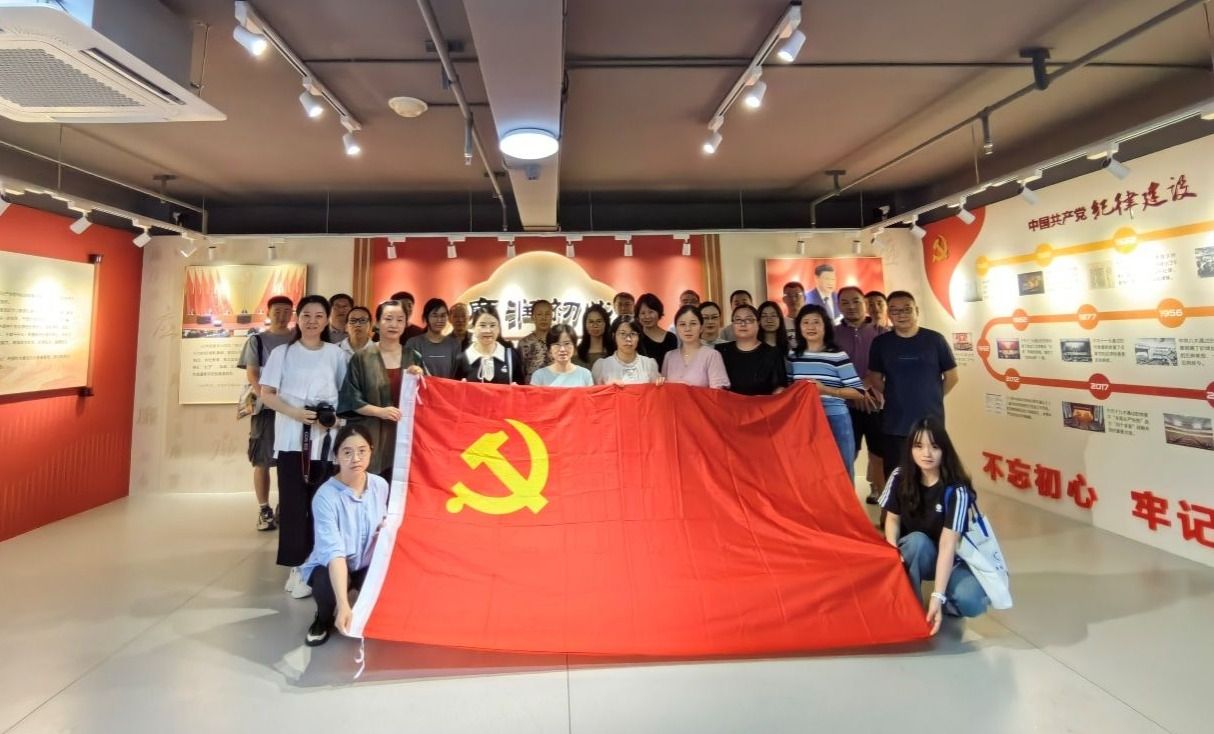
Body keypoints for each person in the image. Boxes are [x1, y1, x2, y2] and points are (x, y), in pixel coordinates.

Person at [257, 295, 348, 598]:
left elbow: (343, 395)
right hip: (290, 440)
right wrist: (294, 413)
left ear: (326, 319)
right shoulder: (283, 353)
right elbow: (267, 393)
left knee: (321, 506)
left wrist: (333, 420)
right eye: (306, 315)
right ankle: (296, 565)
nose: (312, 321)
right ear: (299, 318)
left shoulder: (336, 354)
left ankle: (317, 562)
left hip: (325, 443)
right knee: (293, 505)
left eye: (319, 315)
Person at [879, 416, 989, 634]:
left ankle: (947, 602)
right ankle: (909, 606)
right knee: (917, 542)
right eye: (919, 446)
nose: (926, 453)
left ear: (944, 450)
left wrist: (937, 596)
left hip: (951, 559)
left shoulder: (956, 489)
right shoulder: (900, 477)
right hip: (916, 551)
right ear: (910, 449)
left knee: (972, 601)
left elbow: (948, 544)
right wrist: (892, 554)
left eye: (934, 447)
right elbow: (892, 518)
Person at [300, 423, 389, 646]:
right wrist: (343, 605)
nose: (356, 458)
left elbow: (383, 520)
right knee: (326, 584)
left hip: (366, 561)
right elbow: (334, 553)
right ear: (336, 456)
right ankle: (322, 618)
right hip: (332, 563)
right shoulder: (325, 497)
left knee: (391, 584)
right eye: (347, 452)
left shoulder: (380, 485)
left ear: (371, 451)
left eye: (362, 451)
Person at [867, 290, 959, 477]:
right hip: (895, 422)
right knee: (897, 476)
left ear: (916, 311)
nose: (901, 315)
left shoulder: (935, 340)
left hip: (930, 420)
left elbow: (952, 377)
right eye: (895, 310)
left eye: (907, 309)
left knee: (930, 476)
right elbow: (874, 377)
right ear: (889, 314)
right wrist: (895, 394)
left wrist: (932, 396)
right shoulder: (881, 343)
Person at [788, 304, 866, 481]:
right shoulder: (793, 356)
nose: (811, 327)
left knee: (842, 469)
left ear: (825, 326)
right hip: (804, 421)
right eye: (806, 322)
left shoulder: (837, 355)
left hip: (835, 418)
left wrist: (826, 390)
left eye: (816, 322)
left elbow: (858, 392)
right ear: (799, 327)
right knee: (810, 472)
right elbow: (789, 390)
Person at [236, 294, 293, 531]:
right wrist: (268, 398)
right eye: (277, 311)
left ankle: (285, 506)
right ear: (268, 313)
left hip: (292, 409)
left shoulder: (298, 338)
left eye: (287, 311)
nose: (282, 315)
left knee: (289, 461)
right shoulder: (257, 340)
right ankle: (264, 509)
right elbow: (252, 374)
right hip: (265, 409)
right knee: (262, 460)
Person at [339, 300, 407, 481]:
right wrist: (380, 412)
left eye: (400, 319)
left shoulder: (413, 357)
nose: (394, 324)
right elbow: (350, 400)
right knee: (368, 485)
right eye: (388, 319)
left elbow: (427, 398)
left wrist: (421, 377)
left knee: (397, 485)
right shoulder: (361, 358)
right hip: (369, 434)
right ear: (377, 323)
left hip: (401, 437)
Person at [836, 286, 888, 503]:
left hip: (876, 403)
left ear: (865, 303)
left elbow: (886, 368)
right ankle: (845, 502)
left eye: (856, 301)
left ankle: (884, 501)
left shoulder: (882, 332)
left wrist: (865, 387)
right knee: (846, 455)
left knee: (879, 455)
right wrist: (854, 392)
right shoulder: (833, 334)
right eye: (845, 302)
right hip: (844, 406)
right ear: (838, 306)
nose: (851, 306)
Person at [718, 304, 788, 395]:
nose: (743, 324)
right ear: (732, 324)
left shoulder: (773, 354)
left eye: (749, 320)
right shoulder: (720, 351)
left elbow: (780, 388)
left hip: (762, 403)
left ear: (758, 323)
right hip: (727, 403)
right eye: (738, 320)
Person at [661, 305, 729, 389]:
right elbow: (664, 389)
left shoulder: (712, 355)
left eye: (693, 323)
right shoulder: (669, 356)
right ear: (676, 328)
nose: (688, 329)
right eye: (682, 324)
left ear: (701, 327)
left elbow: (717, 393)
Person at [453, 307, 525, 384]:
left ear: (498, 328)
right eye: (482, 325)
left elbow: (521, 387)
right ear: (473, 328)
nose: (488, 330)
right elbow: (454, 388)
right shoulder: (462, 359)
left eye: (492, 325)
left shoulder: (511, 356)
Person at [592, 317, 662, 385]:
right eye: (622, 333)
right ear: (614, 336)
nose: (628, 339)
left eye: (633, 334)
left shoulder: (649, 364)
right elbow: (594, 392)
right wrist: (608, 388)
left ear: (639, 337)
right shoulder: (601, 366)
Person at [404, 298, 462, 378]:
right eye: (434, 316)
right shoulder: (413, 343)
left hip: (446, 386)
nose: (439, 320)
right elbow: (407, 372)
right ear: (426, 318)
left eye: (443, 316)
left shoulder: (454, 345)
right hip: (421, 386)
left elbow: (456, 375)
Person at [635, 292, 678, 365]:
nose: (647, 316)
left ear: (659, 313)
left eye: (651, 312)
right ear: (638, 316)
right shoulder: (636, 338)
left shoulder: (671, 338)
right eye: (643, 313)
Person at [517, 299, 554, 381]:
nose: (544, 318)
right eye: (539, 314)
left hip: (556, 386)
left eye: (547, 314)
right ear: (533, 317)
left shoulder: (558, 341)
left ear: (552, 316)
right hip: (531, 386)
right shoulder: (524, 343)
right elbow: (520, 372)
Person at [575, 303, 614, 369]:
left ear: (605, 323)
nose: (595, 325)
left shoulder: (614, 351)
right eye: (591, 322)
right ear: (585, 325)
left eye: (599, 321)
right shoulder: (577, 352)